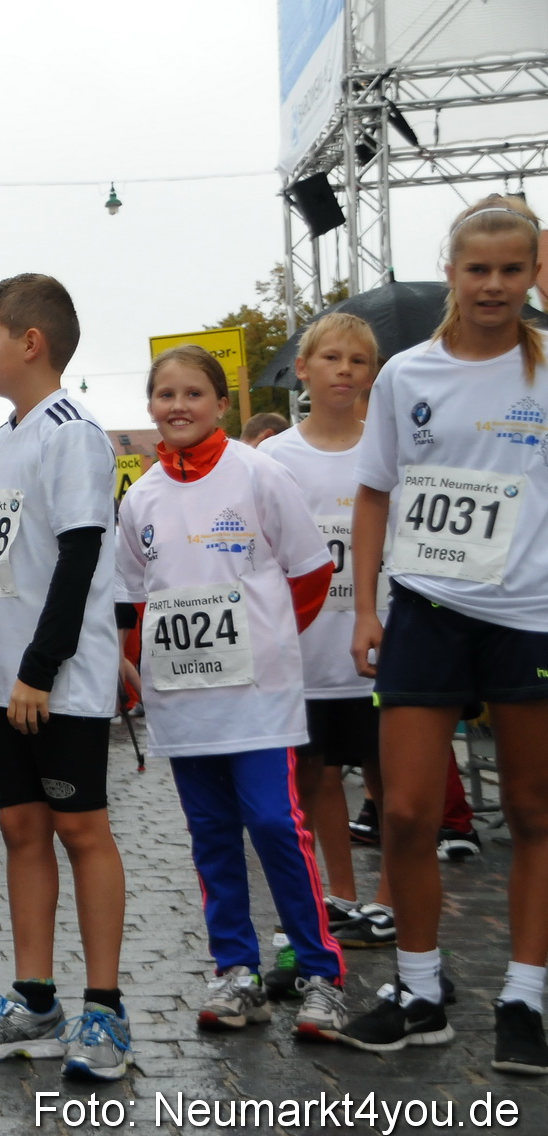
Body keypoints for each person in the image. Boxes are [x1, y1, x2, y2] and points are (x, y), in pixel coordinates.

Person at [342, 195, 548, 1073]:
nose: (494, 285)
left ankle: (524, 995)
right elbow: (374, 490)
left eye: (511, 268)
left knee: (534, 812)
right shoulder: (405, 375)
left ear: (533, 271)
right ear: (453, 273)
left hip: (530, 614)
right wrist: (363, 605)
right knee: (406, 809)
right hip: (426, 606)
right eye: (478, 269)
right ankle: (420, 987)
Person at [115, 344, 346, 1042]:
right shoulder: (141, 495)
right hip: (183, 703)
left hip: (256, 695)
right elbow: (133, 602)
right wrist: (139, 676)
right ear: (151, 406)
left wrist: (264, 638)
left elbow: (308, 574)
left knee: (275, 824)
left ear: (221, 403)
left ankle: (319, 972)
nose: (178, 406)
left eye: (193, 393)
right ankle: (234, 969)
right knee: (211, 834)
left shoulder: (259, 473)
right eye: (165, 394)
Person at [0, 274, 131, 1080]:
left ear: (30, 342)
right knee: (21, 830)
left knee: (81, 830)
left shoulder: (72, 432)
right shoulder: (0, 438)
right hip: (0, 680)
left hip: (57, 681)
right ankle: (34, 999)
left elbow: (80, 554)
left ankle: (105, 1011)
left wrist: (39, 668)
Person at [255, 315, 396, 988]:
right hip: (305, 651)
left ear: (373, 373)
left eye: (359, 360)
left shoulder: (387, 449)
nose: (345, 369)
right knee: (315, 780)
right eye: (331, 357)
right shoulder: (274, 458)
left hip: (381, 647)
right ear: (302, 369)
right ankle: (337, 893)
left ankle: (389, 901)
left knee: (394, 785)